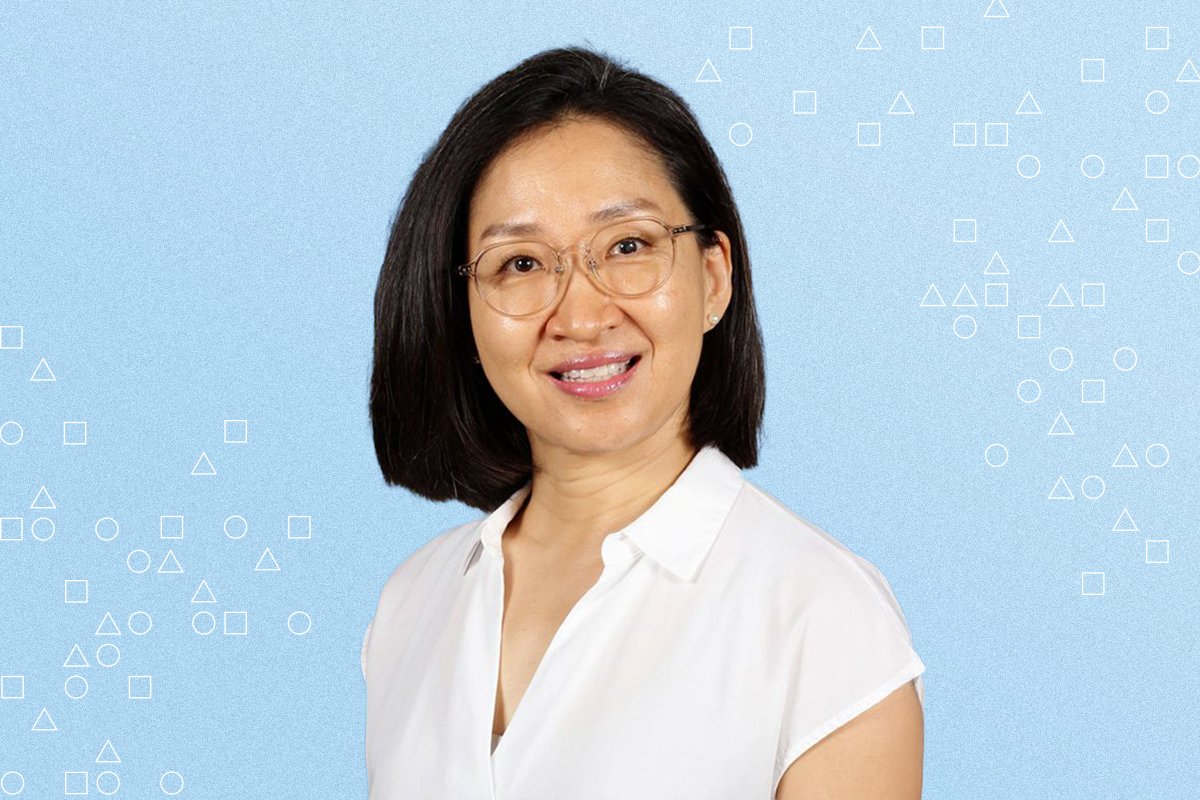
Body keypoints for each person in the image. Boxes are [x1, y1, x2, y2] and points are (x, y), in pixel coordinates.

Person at [363, 44, 925, 800]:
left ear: (714, 278)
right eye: (520, 263)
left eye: (628, 246)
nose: (581, 315)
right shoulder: (412, 602)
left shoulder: (822, 620)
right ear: (458, 310)